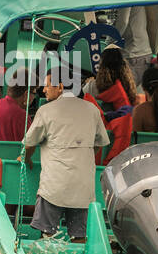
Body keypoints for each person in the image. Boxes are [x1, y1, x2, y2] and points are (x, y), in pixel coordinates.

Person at [22, 65, 110, 241]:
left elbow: (30, 143)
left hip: (54, 187)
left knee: (48, 237)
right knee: (79, 238)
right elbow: (100, 143)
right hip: (83, 188)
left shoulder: (46, 111)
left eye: (47, 85)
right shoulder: (92, 110)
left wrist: (26, 158)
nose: (43, 89)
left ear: (60, 87)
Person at [81, 47, 138, 111]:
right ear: (125, 66)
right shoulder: (128, 87)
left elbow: (80, 102)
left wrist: (87, 84)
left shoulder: (91, 86)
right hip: (123, 120)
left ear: (101, 66)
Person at [112, 5, 154, 84]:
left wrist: (110, 41)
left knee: (129, 93)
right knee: (140, 93)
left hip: (133, 54)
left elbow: (123, 22)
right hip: (144, 53)